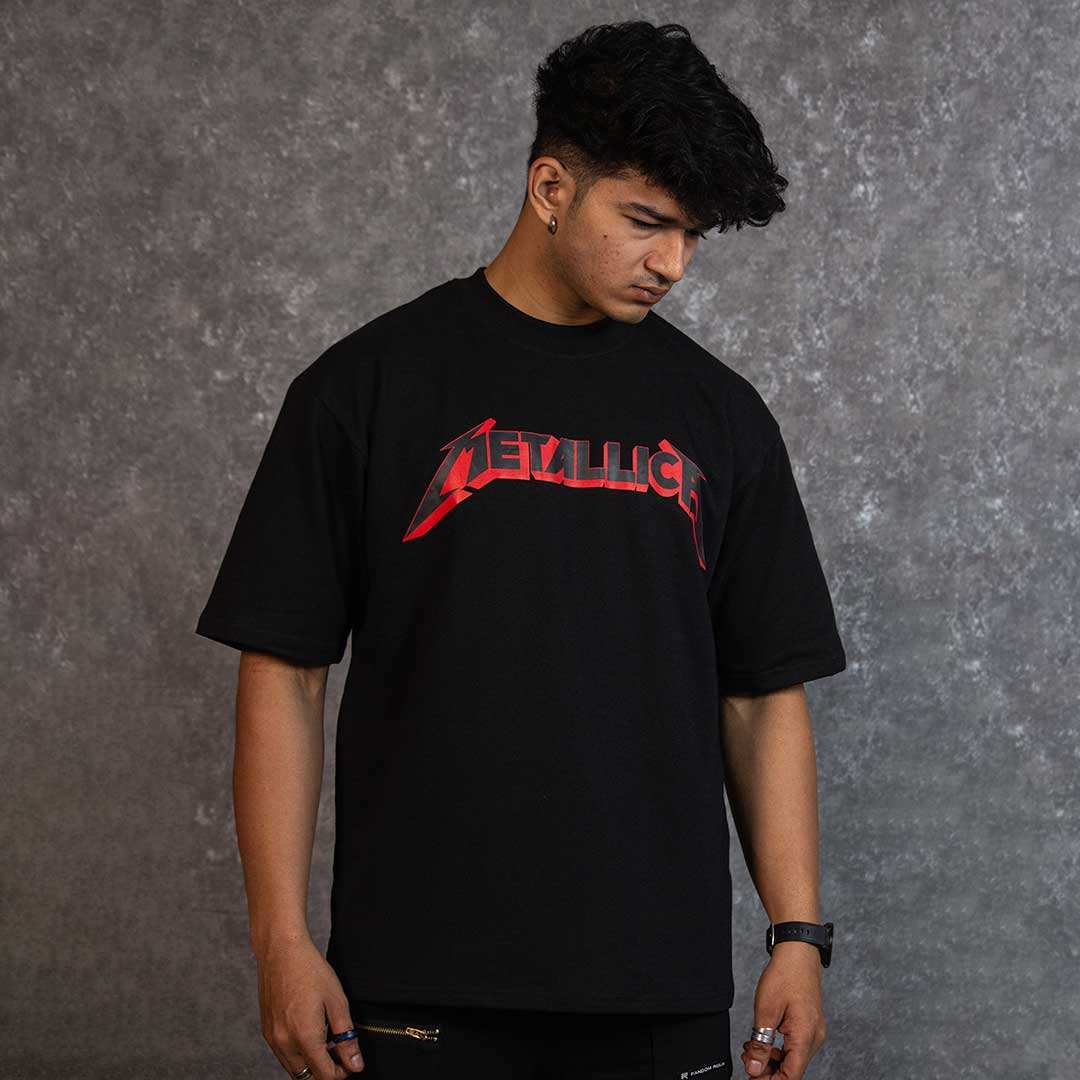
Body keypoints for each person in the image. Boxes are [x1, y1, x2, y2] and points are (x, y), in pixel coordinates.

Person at [195, 19, 846, 1080]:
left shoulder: (722, 416)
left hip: (656, 988)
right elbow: (286, 672)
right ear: (550, 188)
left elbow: (763, 694)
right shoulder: (365, 389)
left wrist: (798, 938)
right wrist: (281, 940)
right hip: (419, 984)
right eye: (646, 223)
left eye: (693, 235)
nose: (672, 264)